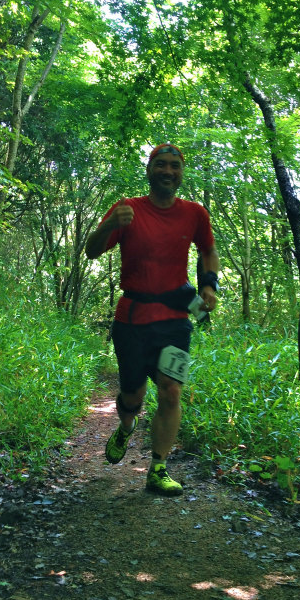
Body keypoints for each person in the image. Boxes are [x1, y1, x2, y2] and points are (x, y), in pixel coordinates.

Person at [85, 143, 220, 496]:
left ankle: (158, 467)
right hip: (131, 318)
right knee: (132, 395)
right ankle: (126, 427)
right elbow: (91, 250)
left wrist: (208, 285)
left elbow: (208, 249)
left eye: (175, 166)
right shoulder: (127, 209)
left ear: (181, 173)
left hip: (176, 318)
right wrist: (109, 225)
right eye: (161, 165)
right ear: (149, 170)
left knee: (171, 391)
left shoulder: (195, 213)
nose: (168, 171)